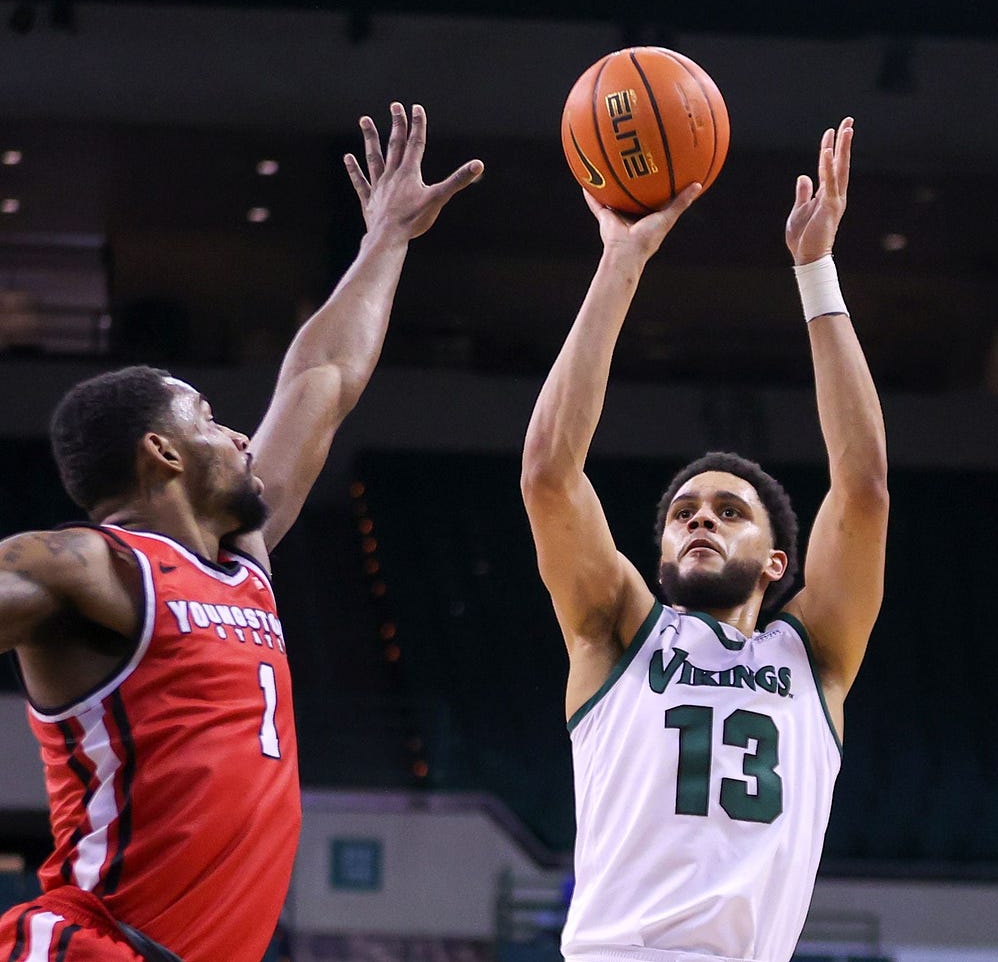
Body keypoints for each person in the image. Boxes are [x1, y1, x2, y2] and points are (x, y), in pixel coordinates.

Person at [0, 103, 481, 962]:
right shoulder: (87, 567)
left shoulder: (239, 559)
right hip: (92, 944)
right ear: (163, 451)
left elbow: (324, 376)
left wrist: (388, 240)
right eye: (211, 419)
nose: (237, 437)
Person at [521, 118, 888, 962]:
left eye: (730, 511)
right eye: (686, 510)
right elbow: (548, 474)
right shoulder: (618, 630)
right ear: (657, 556)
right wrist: (621, 262)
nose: (700, 518)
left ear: (776, 562)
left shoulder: (816, 658)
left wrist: (816, 271)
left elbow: (862, 487)